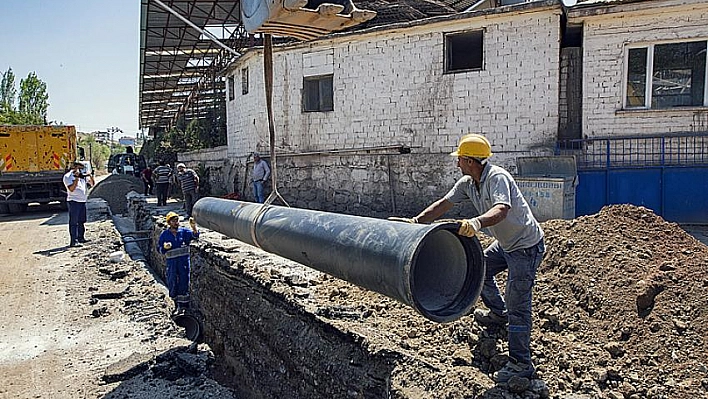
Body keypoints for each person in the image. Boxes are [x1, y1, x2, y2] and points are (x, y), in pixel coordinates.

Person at [390, 134, 545, 383]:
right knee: (478, 270)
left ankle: (521, 364)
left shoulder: (497, 178)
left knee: (519, 304)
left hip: (525, 247)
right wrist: (416, 223)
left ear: (471, 161)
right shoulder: (468, 183)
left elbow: (501, 209)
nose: (457, 163)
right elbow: (443, 204)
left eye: (460, 159)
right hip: (506, 244)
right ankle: (498, 313)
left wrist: (476, 222)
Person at [158, 212, 199, 313]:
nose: (176, 222)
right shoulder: (165, 234)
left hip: (183, 262)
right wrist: (164, 247)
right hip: (172, 263)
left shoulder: (183, 231)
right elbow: (159, 248)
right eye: (173, 221)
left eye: (177, 220)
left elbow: (195, 236)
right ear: (169, 223)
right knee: (172, 280)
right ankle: (174, 303)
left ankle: (184, 305)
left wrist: (194, 228)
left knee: (184, 281)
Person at [63, 161, 95, 247]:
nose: (78, 170)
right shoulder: (68, 177)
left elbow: (92, 184)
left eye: (80, 168)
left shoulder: (82, 176)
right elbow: (71, 189)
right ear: (73, 167)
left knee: (81, 221)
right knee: (74, 222)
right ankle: (74, 241)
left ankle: (81, 238)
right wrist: (76, 179)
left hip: (82, 201)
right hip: (74, 201)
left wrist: (90, 176)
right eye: (77, 167)